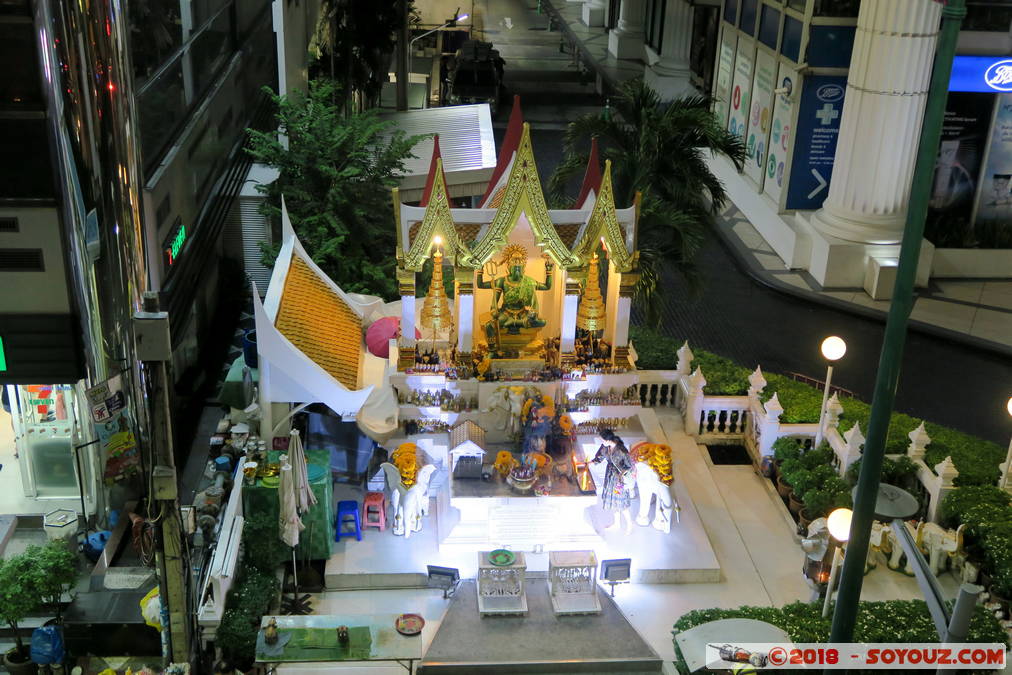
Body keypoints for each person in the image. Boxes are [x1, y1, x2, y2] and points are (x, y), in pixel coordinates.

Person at [592, 429, 634, 534]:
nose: (601, 442)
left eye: (602, 440)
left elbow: (630, 466)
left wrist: (622, 477)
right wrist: (590, 463)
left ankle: (630, 524)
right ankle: (617, 523)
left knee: (621, 504)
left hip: (619, 480)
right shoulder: (606, 447)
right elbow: (599, 457)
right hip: (610, 477)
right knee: (614, 502)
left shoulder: (621, 450)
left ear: (608, 440)